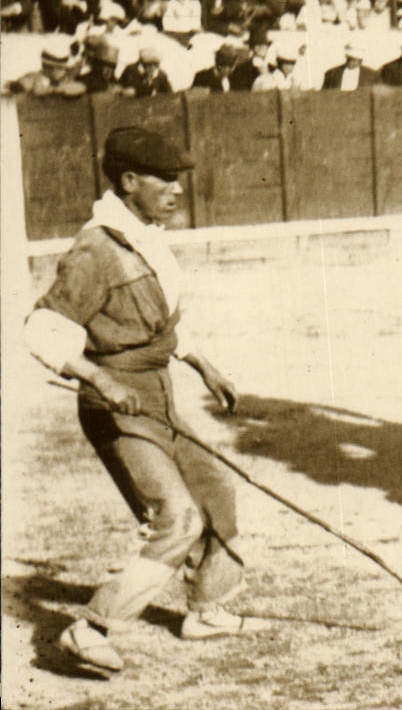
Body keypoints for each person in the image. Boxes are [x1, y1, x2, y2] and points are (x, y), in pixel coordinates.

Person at [24, 126, 260, 675]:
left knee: (216, 491)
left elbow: (160, 317)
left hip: (157, 393)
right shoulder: (97, 247)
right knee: (176, 519)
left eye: (179, 180)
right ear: (129, 181)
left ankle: (205, 608)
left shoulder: (145, 234)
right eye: (166, 180)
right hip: (116, 405)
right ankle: (90, 629)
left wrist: (201, 361)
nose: (177, 190)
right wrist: (98, 379)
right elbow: (41, 327)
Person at [5, 39, 87, 98]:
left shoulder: (74, 74)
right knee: (36, 78)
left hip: (60, 84)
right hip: (50, 81)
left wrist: (56, 84)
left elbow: (74, 86)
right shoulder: (39, 76)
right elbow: (30, 82)